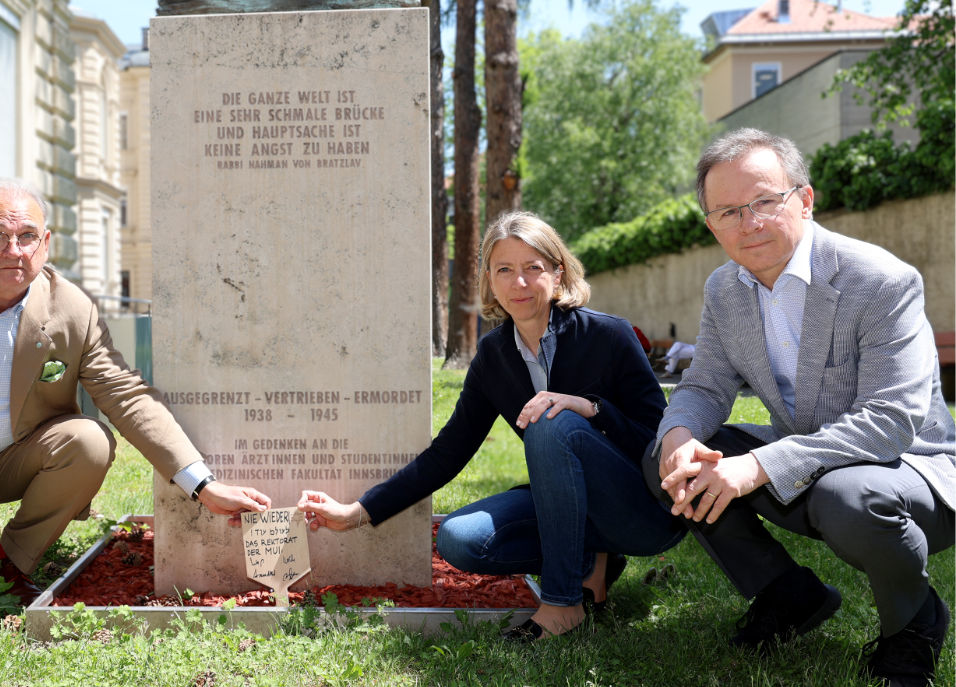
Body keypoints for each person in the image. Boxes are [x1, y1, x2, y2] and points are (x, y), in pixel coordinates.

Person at [648, 128, 954, 686]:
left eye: (765, 201)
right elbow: (707, 384)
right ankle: (789, 595)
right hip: (808, 461)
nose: (750, 222)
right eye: (729, 211)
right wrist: (678, 435)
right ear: (712, 225)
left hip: (909, 472)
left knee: (849, 496)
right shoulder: (725, 290)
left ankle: (913, 624)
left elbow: (891, 422)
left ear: (805, 200)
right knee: (669, 458)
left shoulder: (880, 281)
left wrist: (758, 466)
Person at [0, 178, 271, 606]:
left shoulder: (73, 310)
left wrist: (202, 484)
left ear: (45, 244)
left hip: (15, 456)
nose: (15, 251)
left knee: (89, 442)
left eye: (27, 236)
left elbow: (126, 394)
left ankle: (9, 568)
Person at [298, 211, 684, 639]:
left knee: (551, 420)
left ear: (557, 274)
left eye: (532, 268)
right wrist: (357, 513)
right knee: (459, 538)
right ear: (489, 279)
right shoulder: (493, 356)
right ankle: (589, 560)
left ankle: (561, 605)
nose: (518, 283)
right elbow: (448, 453)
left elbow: (658, 438)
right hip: (565, 502)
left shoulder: (608, 336)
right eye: (505, 270)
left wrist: (591, 408)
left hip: (641, 510)